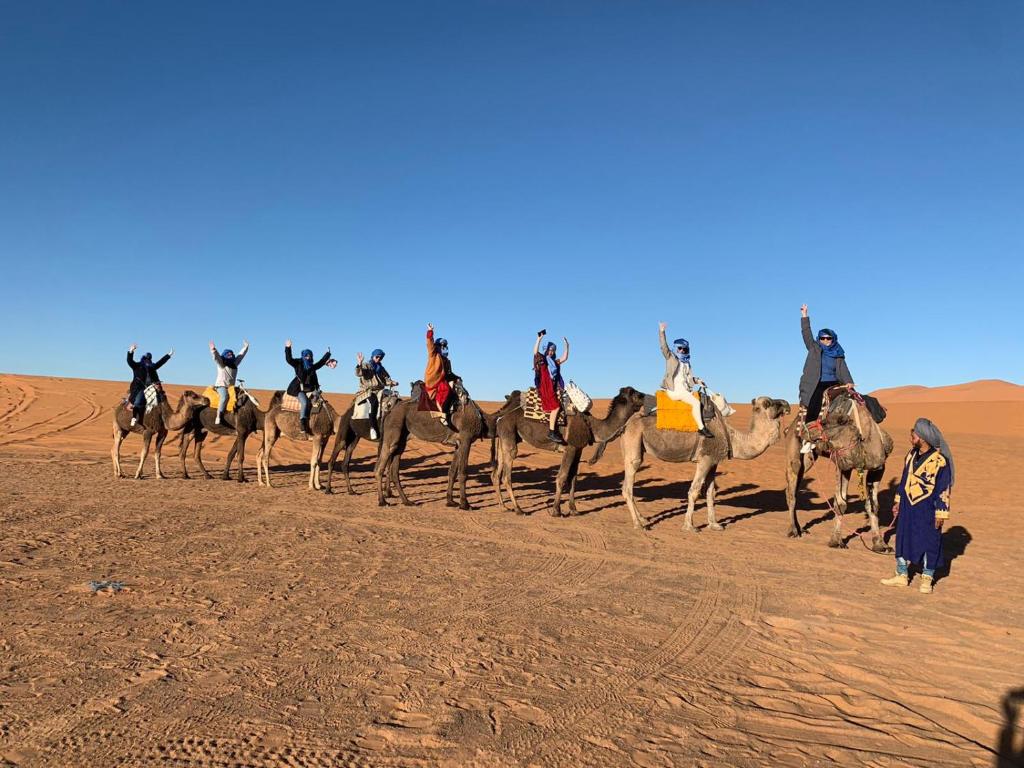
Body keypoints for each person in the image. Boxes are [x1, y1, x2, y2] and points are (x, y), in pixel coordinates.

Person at [881, 418, 955, 595]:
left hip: (928, 507)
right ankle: (901, 575)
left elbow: (943, 488)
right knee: (903, 537)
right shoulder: (911, 455)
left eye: (913, 434)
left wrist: (941, 513)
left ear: (922, 437)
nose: (910, 437)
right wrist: (898, 501)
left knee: (930, 540)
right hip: (908, 505)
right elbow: (904, 479)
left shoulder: (940, 461)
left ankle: (927, 579)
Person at [798, 304, 854, 453]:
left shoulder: (838, 352)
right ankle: (809, 436)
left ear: (833, 339)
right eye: (822, 338)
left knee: (852, 401)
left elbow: (843, 369)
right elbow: (806, 334)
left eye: (828, 338)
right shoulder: (814, 347)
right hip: (817, 382)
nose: (825, 340)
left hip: (834, 382)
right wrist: (805, 316)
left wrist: (849, 382)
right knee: (815, 401)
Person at [659, 322, 713, 438]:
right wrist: (662, 331)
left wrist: (698, 381)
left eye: (684, 349)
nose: (682, 351)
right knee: (696, 403)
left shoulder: (687, 364)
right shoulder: (670, 357)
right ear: (675, 348)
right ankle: (701, 428)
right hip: (675, 390)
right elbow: (664, 347)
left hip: (684, 389)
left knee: (697, 398)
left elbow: (688, 381)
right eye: (680, 348)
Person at [285, 340, 334, 435]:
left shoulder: (312, 366)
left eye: (310, 356)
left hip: (311, 389)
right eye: (306, 355)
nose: (308, 357)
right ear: (303, 356)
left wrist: (328, 354)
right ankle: (303, 423)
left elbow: (321, 363)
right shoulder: (298, 363)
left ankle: (323, 424)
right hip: (298, 389)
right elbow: (289, 359)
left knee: (320, 402)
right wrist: (288, 348)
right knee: (305, 402)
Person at [533, 329, 570, 444]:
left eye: (553, 350)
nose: (551, 352)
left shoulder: (554, 362)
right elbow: (535, 352)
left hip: (552, 387)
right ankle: (552, 432)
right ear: (546, 350)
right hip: (545, 387)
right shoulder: (542, 360)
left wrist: (566, 346)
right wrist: (539, 339)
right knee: (556, 407)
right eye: (550, 350)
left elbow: (564, 358)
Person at [126, 344, 173, 427]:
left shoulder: (152, 367)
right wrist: (131, 351)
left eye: (149, 359)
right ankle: (134, 418)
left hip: (151, 387)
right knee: (138, 401)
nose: (148, 360)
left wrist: (168, 355)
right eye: (147, 358)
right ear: (143, 359)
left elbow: (160, 362)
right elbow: (129, 361)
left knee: (161, 398)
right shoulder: (137, 366)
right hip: (139, 388)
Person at [355, 348, 397, 439]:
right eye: (377, 356)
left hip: (380, 390)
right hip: (368, 390)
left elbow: (386, 379)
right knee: (374, 403)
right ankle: (372, 428)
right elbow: (359, 373)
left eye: (380, 357)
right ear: (373, 356)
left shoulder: (381, 368)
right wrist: (359, 363)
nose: (378, 358)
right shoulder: (366, 365)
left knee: (394, 398)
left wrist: (392, 382)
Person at [209, 339, 249, 425]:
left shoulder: (235, 364)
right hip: (221, 386)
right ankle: (219, 415)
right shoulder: (221, 364)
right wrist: (213, 350)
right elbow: (216, 358)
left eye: (231, 354)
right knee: (224, 397)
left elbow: (241, 355)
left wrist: (245, 347)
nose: (230, 355)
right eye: (228, 354)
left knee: (244, 395)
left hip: (231, 387)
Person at [424, 324, 455, 427]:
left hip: (442, 380)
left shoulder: (446, 360)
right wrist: (430, 332)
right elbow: (429, 344)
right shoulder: (434, 355)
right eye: (441, 345)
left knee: (454, 386)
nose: (443, 347)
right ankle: (441, 414)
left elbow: (449, 373)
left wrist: (457, 378)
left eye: (444, 346)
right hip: (433, 381)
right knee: (445, 388)